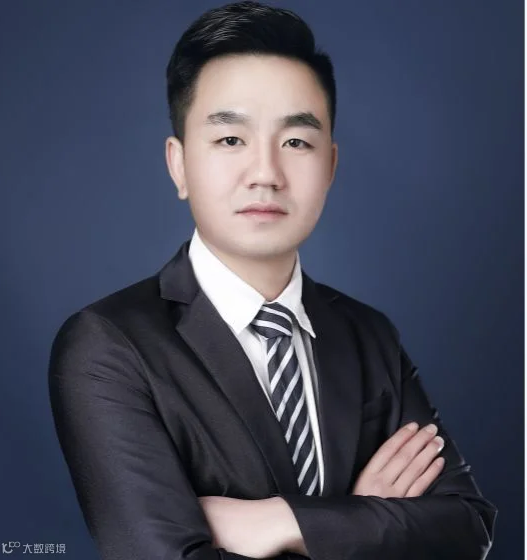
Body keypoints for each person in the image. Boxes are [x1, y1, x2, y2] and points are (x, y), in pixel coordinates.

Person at [48, 2, 497, 559]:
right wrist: (359, 521)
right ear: (179, 165)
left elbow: (467, 527)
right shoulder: (107, 346)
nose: (265, 173)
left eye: (296, 142)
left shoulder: (368, 335)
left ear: (330, 166)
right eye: (230, 140)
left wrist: (279, 522)